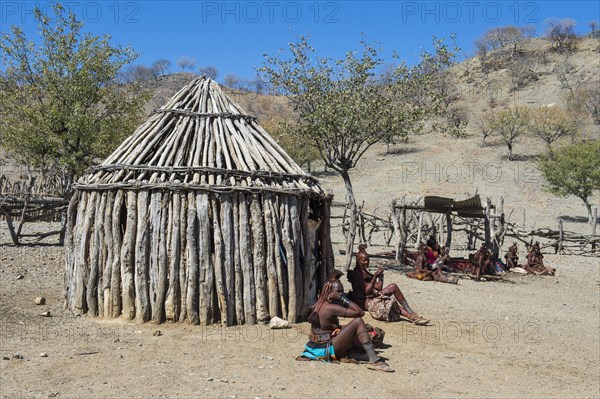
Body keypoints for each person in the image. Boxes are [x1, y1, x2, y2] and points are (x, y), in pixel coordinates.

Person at [300, 278, 394, 372]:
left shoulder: (320, 305)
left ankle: (354, 352)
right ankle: (374, 361)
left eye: (342, 291)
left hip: (317, 347)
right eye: (338, 291)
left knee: (350, 327)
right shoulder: (330, 308)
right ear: (330, 292)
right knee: (358, 322)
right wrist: (342, 298)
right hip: (326, 349)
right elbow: (359, 312)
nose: (341, 293)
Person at [348, 244, 428, 325]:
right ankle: (411, 317)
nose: (367, 262)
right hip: (363, 301)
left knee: (393, 286)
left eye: (368, 260)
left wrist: (381, 277)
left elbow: (378, 288)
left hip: (372, 296)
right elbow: (366, 291)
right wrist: (375, 277)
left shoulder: (365, 272)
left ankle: (410, 311)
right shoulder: (357, 274)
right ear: (358, 261)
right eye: (364, 260)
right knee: (388, 301)